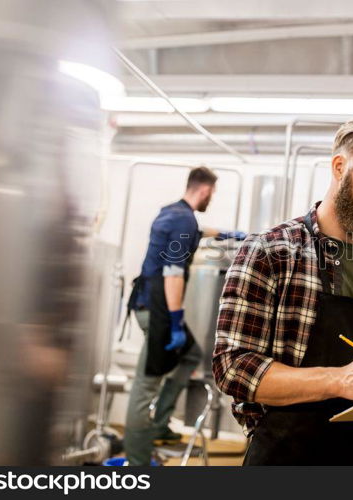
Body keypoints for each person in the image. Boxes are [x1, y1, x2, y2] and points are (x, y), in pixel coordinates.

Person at [213, 116, 353, 466]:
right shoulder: (271, 251)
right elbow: (232, 367)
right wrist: (337, 380)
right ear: (340, 166)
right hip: (284, 460)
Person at [124, 166, 246, 466]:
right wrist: (176, 321)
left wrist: (227, 234)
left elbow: (197, 232)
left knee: (190, 355)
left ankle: (159, 425)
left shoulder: (173, 213)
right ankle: (138, 462)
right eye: (212, 195)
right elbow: (173, 274)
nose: (210, 200)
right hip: (159, 309)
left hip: (147, 303)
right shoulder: (183, 220)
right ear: (204, 191)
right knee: (146, 385)